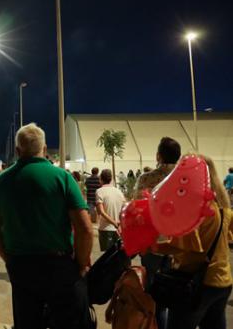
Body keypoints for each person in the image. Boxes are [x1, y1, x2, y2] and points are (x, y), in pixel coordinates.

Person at [0, 123, 93, 329]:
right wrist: (81, 264)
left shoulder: (2, 181)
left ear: (17, 151)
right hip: (59, 266)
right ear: (44, 150)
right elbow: (85, 228)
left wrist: (8, 259)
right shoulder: (62, 177)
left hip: (21, 266)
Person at [155, 155, 232, 329]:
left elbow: (180, 248)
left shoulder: (194, 212)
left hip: (196, 284)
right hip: (222, 282)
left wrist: (152, 246)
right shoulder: (222, 207)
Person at [136, 136, 182, 327]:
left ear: (158, 156)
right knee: (179, 294)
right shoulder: (185, 180)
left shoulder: (146, 178)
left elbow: (137, 209)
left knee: (156, 297)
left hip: (153, 243)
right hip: (181, 245)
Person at [95, 169, 126, 251]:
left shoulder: (99, 191)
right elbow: (124, 210)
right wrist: (119, 224)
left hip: (105, 229)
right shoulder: (119, 192)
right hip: (118, 229)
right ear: (111, 179)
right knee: (117, 255)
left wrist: (114, 223)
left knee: (108, 256)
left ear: (101, 179)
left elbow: (101, 212)